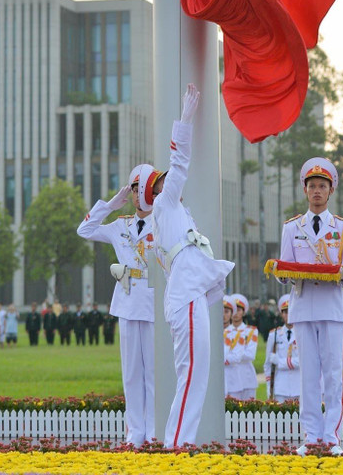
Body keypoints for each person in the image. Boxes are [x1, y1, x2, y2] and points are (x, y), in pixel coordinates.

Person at [142, 84, 234, 449]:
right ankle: (177, 446)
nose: (172, 182)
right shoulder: (164, 206)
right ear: (158, 189)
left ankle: (179, 442)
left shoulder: (169, 214)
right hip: (186, 294)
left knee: (194, 372)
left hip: (187, 293)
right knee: (193, 372)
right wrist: (185, 120)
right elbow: (179, 163)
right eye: (164, 182)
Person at [275, 157, 343, 456]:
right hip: (303, 304)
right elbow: (284, 271)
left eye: (323, 186)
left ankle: (332, 437)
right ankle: (311, 436)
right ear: (305, 190)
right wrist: (282, 273)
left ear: (331, 190)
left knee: (333, 374)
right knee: (308, 374)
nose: (317, 191)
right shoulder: (291, 228)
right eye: (312, 186)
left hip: (332, 306)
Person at [77, 166, 156, 445]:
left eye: (142, 189)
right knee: (132, 374)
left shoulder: (164, 221)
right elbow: (84, 230)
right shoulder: (120, 224)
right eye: (133, 190)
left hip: (154, 302)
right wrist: (109, 206)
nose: (137, 195)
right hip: (126, 301)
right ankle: (135, 435)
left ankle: (155, 433)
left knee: (154, 374)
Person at [264, 294, 300, 402]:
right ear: (281, 314)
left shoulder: (302, 334)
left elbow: (302, 361)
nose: (288, 315)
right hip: (280, 387)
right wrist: (269, 386)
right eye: (285, 312)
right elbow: (268, 364)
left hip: (298, 386)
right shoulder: (274, 335)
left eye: (291, 311)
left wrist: (279, 362)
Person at [223, 294, 258, 400]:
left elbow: (250, 355)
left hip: (246, 377)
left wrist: (232, 356)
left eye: (239, 310)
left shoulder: (251, 331)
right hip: (230, 377)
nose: (236, 314)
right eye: (234, 310)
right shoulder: (224, 331)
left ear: (244, 312)